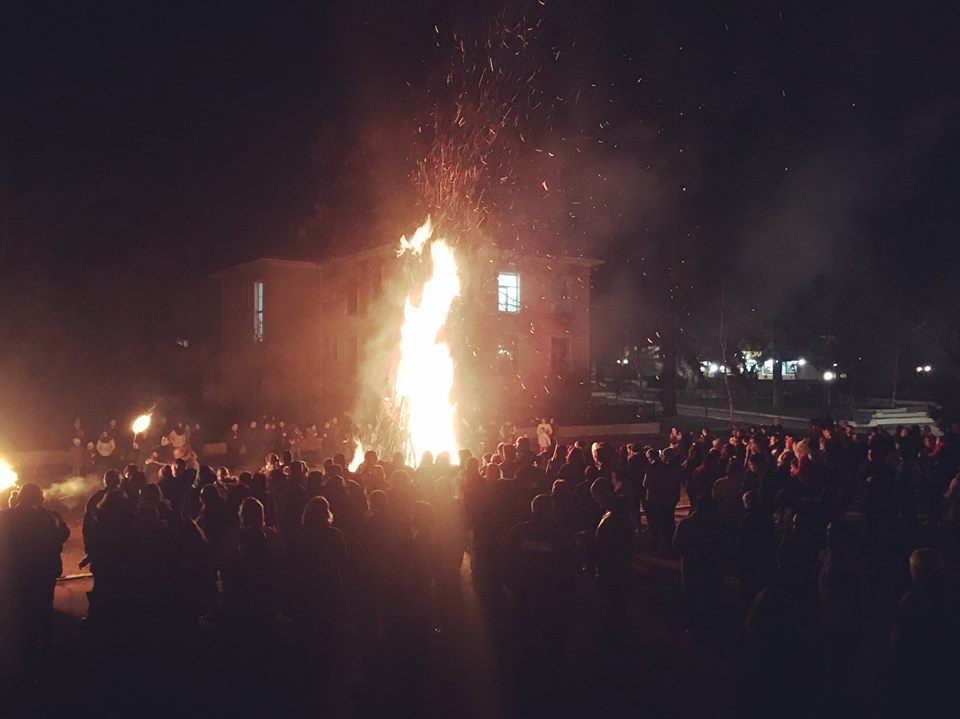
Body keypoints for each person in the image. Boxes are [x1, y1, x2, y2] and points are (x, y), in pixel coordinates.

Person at [0, 483, 70, 680]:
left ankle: (20, 645)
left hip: (14, 571)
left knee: (17, 607)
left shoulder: (4, 516)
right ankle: (45, 643)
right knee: (43, 606)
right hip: (41, 571)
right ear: (39, 498)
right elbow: (63, 535)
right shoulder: (46, 517)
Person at [284, 497, 348, 628]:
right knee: (326, 625)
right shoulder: (335, 534)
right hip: (328, 583)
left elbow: (289, 560)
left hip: (303, 584)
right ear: (327, 513)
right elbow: (343, 559)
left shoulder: (297, 535)